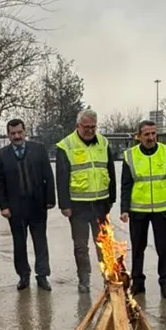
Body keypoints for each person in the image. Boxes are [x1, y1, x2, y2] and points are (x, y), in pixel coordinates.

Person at [120, 120, 166, 299]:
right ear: (138, 136)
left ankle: (165, 283)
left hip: (162, 210)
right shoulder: (130, 155)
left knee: (164, 249)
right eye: (146, 134)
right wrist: (124, 209)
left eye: (153, 133)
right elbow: (126, 185)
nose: (151, 137)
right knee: (137, 249)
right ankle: (138, 283)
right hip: (138, 210)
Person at [56, 109, 117, 293]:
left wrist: (112, 197)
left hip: (100, 203)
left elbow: (110, 170)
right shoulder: (66, 145)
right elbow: (62, 178)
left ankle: (108, 277)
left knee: (104, 244)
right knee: (81, 247)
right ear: (78, 126)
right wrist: (65, 205)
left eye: (93, 127)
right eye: (86, 127)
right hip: (78, 206)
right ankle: (84, 279)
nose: (90, 130)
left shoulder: (103, 143)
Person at [0, 118, 55, 291]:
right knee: (19, 243)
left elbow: (48, 176)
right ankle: (23, 275)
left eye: (19, 132)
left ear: (25, 131)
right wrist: (4, 206)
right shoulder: (1, 156)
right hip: (15, 208)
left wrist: (50, 199)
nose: (17, 136)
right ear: (8, 135)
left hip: (37, 205)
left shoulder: (38, 149)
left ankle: (42, 275)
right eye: (13, 133)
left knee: (40, 241)